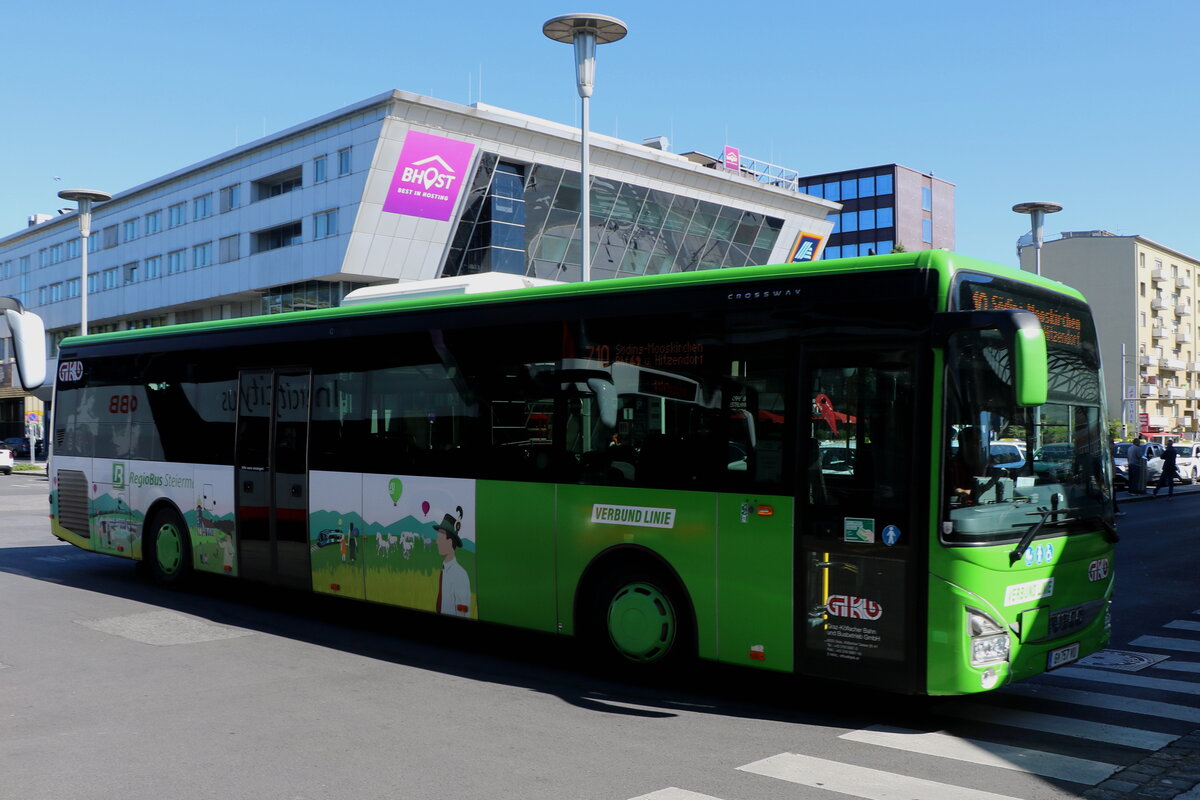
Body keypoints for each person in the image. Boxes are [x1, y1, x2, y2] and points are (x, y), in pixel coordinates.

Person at [433, 511, 471, 617]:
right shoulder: (444, 569)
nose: (437, 542)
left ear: (449, 542)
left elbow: (463, 611)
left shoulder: (460, 575)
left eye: (439, 538)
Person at [948, 426, 986, 503]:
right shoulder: (951, 466)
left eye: (982, 443)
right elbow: (953, 490)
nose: (981, 447)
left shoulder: (985, 465)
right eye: (978, 442)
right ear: (965, 444)